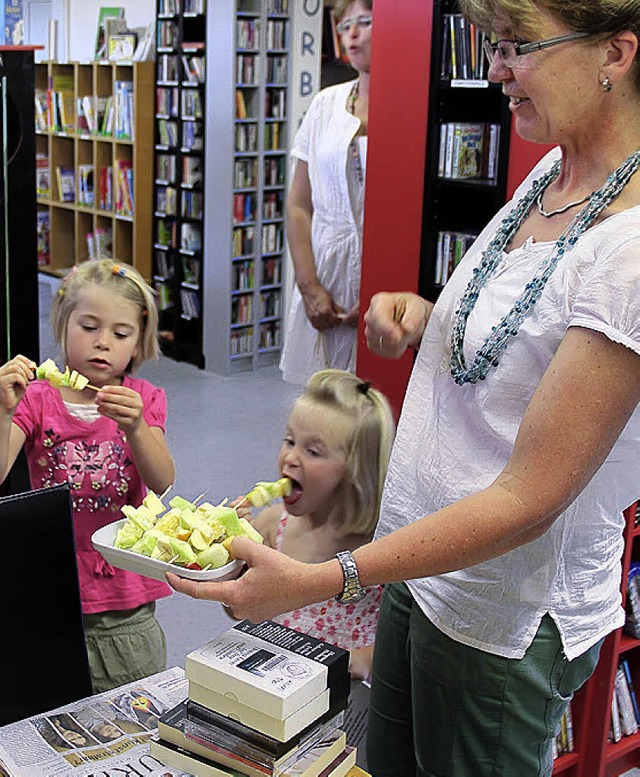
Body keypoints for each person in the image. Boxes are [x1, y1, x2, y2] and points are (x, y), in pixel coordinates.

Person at [168, 0, 640, 774]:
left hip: (499, 616)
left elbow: (531, 496)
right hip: (421, 573)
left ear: (614, 54)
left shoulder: (629, 249)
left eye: (517, 48)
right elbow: (530, 337)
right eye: (493, 46)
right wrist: (427, 317)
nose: (494, 72)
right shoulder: (555, 171)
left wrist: (323, 579)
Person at [0, 259, 175, 694]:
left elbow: (163, 481)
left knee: (133, 710)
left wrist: (136, 428)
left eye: (120, 334)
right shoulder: (36, 399)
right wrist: (3, 411)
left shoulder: (143, 400)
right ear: (62, 326)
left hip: (125, 598)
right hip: (53, 587)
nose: (103, 344)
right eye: (88, 326)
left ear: (138, 344)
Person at [249, 369, 394, 679]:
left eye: (312, 451)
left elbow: (395, 643)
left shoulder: (380, 549)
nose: (290, 458)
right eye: (289, 441)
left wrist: (361, 661)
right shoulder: (270, 526)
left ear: (356, 472)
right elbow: (243, 610)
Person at [279, 0, 372, 384]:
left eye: (364, 22)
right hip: (326, 274)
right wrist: (309, 287)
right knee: (322, 404)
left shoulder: (416, 105)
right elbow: (299, 205)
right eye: (345, 24)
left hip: (382, 274)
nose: (351, 34)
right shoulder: (325, 104)